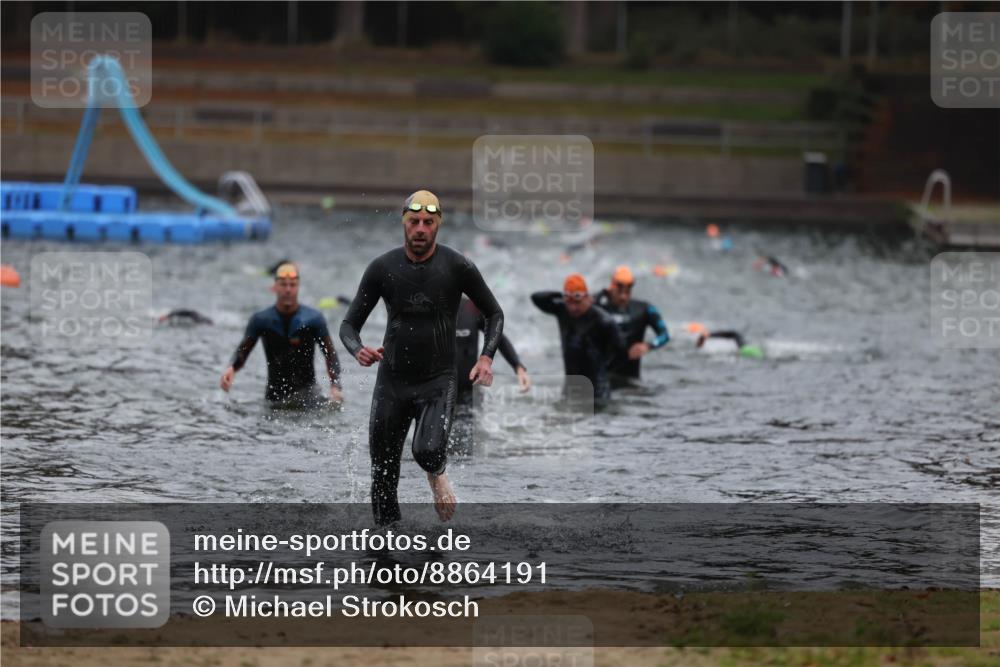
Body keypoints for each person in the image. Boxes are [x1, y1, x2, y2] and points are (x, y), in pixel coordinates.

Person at [340, 190, 504, 526]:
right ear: (404, 222)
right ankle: (387, 546)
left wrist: (486, 357)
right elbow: (348, 325)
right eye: (414, 221)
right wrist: (358, 349)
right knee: (383, 474)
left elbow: (495, 313)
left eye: (428, 222)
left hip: (437, 381)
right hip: (392, 381)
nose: (420, 228)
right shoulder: (382, 268)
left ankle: (437, 473)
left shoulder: (457, 266)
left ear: (438, 225)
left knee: (426, 451)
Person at [220, 262, 344, 408]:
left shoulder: (314, 319)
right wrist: (231, 368)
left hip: (309, 397)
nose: (288, 289)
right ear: (274, 287)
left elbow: (330, 354)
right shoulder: (260, 320)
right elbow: (243, 350)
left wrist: (335, 386)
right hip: (274, 398)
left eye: (292, 285)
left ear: (298, 287)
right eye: (283, 284)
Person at [531, 274, 625, 407]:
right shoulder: (562, 310)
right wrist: (561, 294)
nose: (573, 308)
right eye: (569, 302)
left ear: (588, 298)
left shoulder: (603, 320)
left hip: (597, 391)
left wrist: (605, 369)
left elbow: (621, 349)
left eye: (578, 302)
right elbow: (536, 298)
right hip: (571, 389)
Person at [452, 296, 530, 453]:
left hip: (469, 390)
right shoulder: (430, 307)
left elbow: (498, 338)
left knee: (466, 443)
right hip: (439, 389)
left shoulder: (471, 308)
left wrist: (518, 367)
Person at [594, 265, 670, 387]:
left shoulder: (643, 309)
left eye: (628, 291)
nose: (624, 296)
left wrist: (648, 346)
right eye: (619, 290)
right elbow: (580, 307)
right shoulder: (598, 308)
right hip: (602, 379)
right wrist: (601, 294)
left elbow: (665, 335)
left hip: (630, 380)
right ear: (611, 287)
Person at [696, 329, 764, 359]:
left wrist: (708, 335)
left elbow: (733, 334)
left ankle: (706, 335)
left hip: (745, 350)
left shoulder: (743, 348)